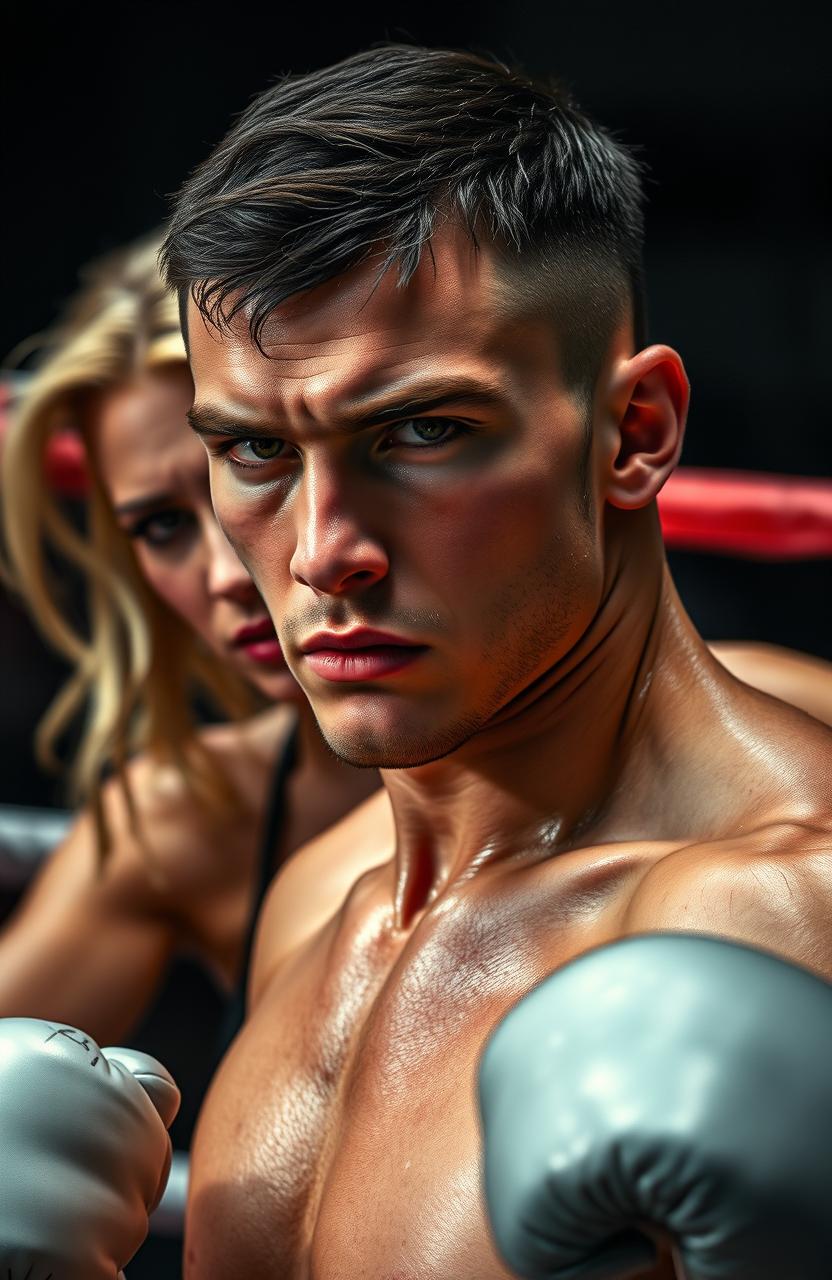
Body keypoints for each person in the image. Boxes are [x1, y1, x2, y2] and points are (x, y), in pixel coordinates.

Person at [155, 44, 832, 1277]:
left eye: (422, 431)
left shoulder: (764, 920)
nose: (323, 554)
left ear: (635, 433)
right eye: (254, 450)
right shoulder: (320, 900)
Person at [0, 234, 383, 1054]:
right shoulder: (197, 815)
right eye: (164, 526)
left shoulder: (706, 765)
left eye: (257, 464)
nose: (226, 573)